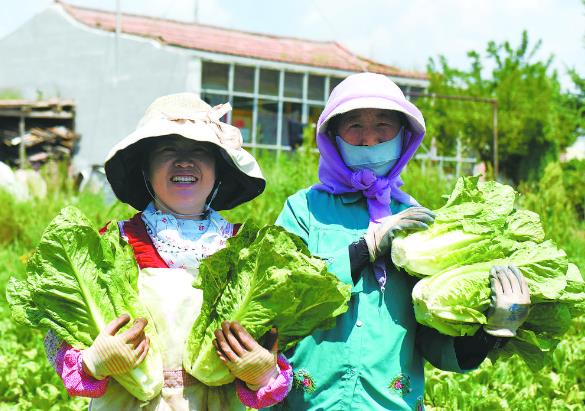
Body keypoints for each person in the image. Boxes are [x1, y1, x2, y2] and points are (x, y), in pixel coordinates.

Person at [272, 73, 532, 410]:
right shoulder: (304, 209)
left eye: (383, 125)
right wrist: (365, 248)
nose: (369, 139)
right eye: (354, 126)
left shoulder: (421, 223)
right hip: (307, 401)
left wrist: (491, 330)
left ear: (404, 136)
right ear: (333, 136)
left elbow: (436, 341)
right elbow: (281, 297)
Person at [43, 93, 293, 410]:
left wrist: (264, 372)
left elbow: (273, 348)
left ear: (219, 170)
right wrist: (93, 361)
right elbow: (58, 338)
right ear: (145, 170)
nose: (184, 161)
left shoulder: (248, 252)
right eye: (167, 149)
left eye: (200, 151)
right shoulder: (112, 243)